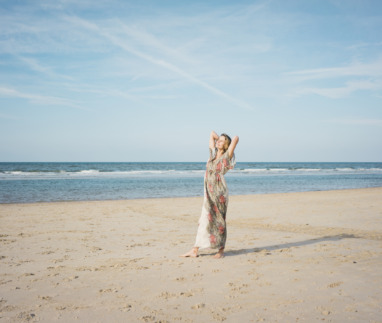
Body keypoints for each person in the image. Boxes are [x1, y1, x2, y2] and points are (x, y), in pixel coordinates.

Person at [181, 131, 239, 259]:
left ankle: (221, 250)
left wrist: (226, 144)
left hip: (219, 193)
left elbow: (236, 138)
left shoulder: (226, 156)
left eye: (222, 141)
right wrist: (219, 140)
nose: (219, 141)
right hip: (208, 192)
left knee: (220, 221)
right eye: (219, 140)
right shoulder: (212, 154)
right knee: (203, 219)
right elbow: (212, 133)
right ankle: (195, 250)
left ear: (226, 145)